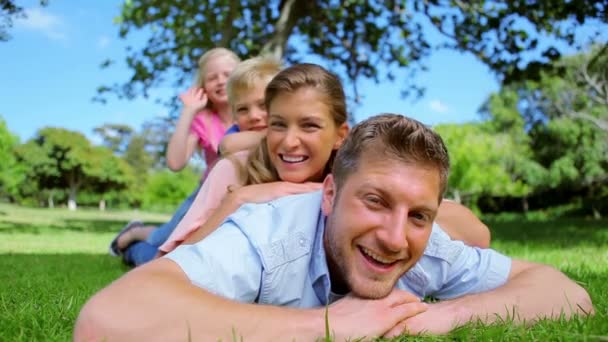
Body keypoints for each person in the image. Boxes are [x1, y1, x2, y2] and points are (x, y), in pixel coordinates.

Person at [76, 108, 594, 341]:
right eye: (374, 200)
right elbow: (109, 319)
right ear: (330, 193)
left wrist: (434, 320)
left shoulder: (426, 246)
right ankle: (132, 238)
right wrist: (330, 325)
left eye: (418, 214)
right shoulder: (268, 235)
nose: (395, 237)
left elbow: (567, 293)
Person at [158, 62, 490, 256]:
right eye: (278, 124)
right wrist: (240, 200)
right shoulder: (235, 171)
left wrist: (320, 194)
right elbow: (171, 261)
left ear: (340, 135)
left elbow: (477, 235)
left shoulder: (355, 174)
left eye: (310, 125)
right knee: (147, 248)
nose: (289, 141)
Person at [108, 48, 241, 264]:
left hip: (238, 193)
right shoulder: (204, 120)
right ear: (202, 85)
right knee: (166, 238)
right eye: (212, 77)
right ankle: (134, 234)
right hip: (205, 195)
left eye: (228, 74)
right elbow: (175, 163)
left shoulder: (254, 113)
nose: (220, 81)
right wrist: (188, 111)